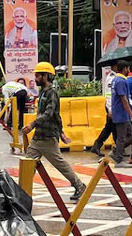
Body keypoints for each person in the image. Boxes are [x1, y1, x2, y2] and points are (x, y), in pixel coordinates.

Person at [21, 62, 85, 202]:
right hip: (39, 137)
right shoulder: (43, 92)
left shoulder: (52, 93)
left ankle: (79, 186)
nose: (35, 78)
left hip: (48, 137)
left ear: (46, 76)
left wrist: (32, 124)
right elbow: (57, 115)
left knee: (60, 164)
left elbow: (50, 113)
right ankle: (21, 193)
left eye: (38, 75)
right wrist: (61, 132)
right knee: (28, 164)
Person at [109, 60, 132, 167]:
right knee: (122, 137)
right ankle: (118, 159)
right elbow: (124, 99)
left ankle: (117, 151)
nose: (128, 70)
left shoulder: (115, 80)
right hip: (121, 113)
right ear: (125, 69)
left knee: (131, 135)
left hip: (120, 112)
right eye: (128, 68)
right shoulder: (121, 81)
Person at [89, 62, 120, 156]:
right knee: (114, 127)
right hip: (111, 106)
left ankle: (97, 145)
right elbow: (109, 95)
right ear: (114, 66)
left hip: (112, 106)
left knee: (110, 128)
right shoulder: (111, 78)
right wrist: (110, 109)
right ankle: (118, 149)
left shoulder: (115, 77)